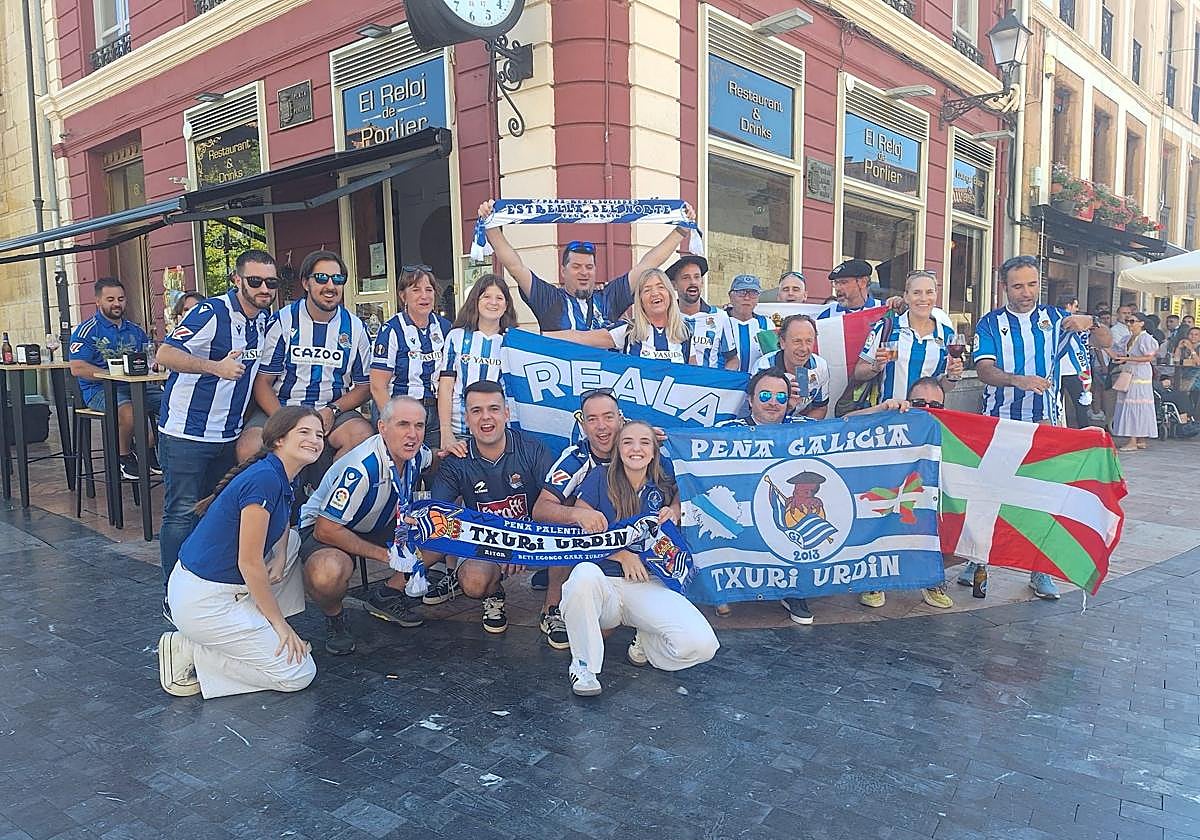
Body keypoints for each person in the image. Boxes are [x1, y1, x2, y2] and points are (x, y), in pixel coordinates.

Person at [964, 254, 1111, 600]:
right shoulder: (989, 323)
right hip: (999, 421)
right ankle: (976, 558)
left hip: (1046, 421)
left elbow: (1105, 342)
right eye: (1018, 286)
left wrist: (1089, 322)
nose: (1026, 292)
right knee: (989, 493)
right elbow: (984, 370)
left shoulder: (1056, 319)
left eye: (1032, 284)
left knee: (1044, 495)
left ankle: (1040, 570)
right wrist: (1018, 380)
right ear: (1005, 287)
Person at [158, 406, 322, 699]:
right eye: (304, 432)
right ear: (279, 440)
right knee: (299, 674)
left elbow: (281, 518)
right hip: (204, 601)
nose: (315, 439)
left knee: (293, 541)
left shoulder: (282, 472)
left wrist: (281, 553)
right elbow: (249, 563)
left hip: (213, 586)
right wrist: (280, 625)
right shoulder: (264, 479)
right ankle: (191, 653)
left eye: (319, 434)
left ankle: (255, 630)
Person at [560, 419, 719, 697]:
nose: (636, 448)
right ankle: (584, 666)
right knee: (582, 576)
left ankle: (646, 640)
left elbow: (695, 485)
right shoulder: (600, 477)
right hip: (604, 584)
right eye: (628, 441)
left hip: (648, 582)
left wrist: (676, 508)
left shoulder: (662, 481)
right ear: (618, 449)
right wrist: (620, 554)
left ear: (655, 450)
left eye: (645, 442)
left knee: (703, 645)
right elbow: (577, 534)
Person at [157, 249, 277, 587]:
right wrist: (215, 367)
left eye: (270, 282)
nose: (263, 288)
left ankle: (202, 585)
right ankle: (174, 591)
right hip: (187, 434)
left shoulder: (265, 321)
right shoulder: (211, 312)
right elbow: (165, 353)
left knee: (213, 511)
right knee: (181, 513)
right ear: (237, 280)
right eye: (255, 281)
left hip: (228, 435)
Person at [297, 396, 434, 655]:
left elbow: (434, 458)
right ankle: (334, 618)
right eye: (403, 425)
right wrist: (387, 556)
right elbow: (325, 529)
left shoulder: (418, 453)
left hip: (379, 522)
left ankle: (387, 595)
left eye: (419, 426)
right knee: (328, 572)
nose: (412, 434)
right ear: (382, 428)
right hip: (330, 529)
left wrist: (454, 453)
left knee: (444, 529)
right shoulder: (361, 468)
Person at [426, 381, 556, 639]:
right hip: (484, 546)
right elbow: (440, 516)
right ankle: (493, 591)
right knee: (474, 582)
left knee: (572, 535)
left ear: (507, 413)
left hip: (534, 541)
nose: (486, 417)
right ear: (466, 418)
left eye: (493, 409)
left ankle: (552, 608)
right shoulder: (456, 461)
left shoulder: (533, 449)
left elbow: (558, 504)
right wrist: (498, 549)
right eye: (476, 410)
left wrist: (520, 545)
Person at [478, 199, 695, 331]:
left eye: (589, 267)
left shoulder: (609, 297)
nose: (584, 272)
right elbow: (515, 267)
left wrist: (681, 232)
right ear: (563, 271)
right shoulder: (549, 299)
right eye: (576, 266)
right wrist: (491, 227)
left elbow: (648, 263)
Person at [251, 250, 374, 461]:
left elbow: (365, 386)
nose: (330, 286)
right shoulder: (282, 321)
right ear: (306, 283)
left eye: (337, 279)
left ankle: (329, 492)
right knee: (250, 446)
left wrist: (333, 409)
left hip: (332, 411)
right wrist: (287, 421)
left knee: (362, 437)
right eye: (321, 278)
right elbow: (262, 383)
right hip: (283, 407)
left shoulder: (355, 328)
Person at [846, 377, 955, 610]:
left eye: (934, 406)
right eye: (919, 403)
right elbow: (845, 424)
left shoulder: (952, 435)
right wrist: (881, 410)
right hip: (890, 504)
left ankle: (929, 574)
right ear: (908, 402)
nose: (927, 410)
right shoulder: (892, 424)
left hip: (930, 505)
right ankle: (874, 577)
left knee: (968, 532)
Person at [715, 369, 813, 625]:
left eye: (781, 397)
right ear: (750, 399)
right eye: (766, 395)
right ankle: (723, 585)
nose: (773, 402)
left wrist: (882, 409)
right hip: (742, 509)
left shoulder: (802, 428)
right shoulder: (727, 430)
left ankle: (793, 591)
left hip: (783, 511)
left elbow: (848, 427)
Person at [530, 389, 626, 649]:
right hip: (591, 540)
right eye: (592, 419)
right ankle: (553, 606)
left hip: (631, 542)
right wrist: (577, 514)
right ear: (582, 424)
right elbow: (540, 509)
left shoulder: (639, 448)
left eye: (608, 417)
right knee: (563, 521)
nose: (602, 426)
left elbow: (674, 488)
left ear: (621, 419)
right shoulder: (576, 458)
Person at [69, 277, 164, 479]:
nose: (116, 304)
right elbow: (77, 368)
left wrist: (156, 364)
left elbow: (149, 359)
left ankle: (148, 447)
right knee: (130, 412)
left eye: (120, 299)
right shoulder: (86, 330)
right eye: (110, 299)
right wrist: (110, 375)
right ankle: (124, 456)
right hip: (100, 390)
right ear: (98, 301)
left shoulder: (136, 330)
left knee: (175, 405)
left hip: (137, 387)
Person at [369, 266, 451, 449]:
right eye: (416, 290)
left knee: (436, 468)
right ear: (403, 296)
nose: (424, 296)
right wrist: (395, 422)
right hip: (399, 410)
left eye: (429, 290)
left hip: (434, 412)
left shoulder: (445, 328)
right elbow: (377, 386)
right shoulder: (391, 330)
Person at [852, 270, 962, 403]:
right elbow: (859, 372)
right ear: (906, 297)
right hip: (890, 415)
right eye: (916, 292)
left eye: (929, 292)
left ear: (936, 295)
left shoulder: (946, 334)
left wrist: (952, 376)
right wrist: (875, 367)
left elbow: (942, 386)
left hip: (925, 416)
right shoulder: (889, 328)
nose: (923, 298)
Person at [553, 269, 696, 364]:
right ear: (640, 300)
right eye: (647, 290)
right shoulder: (629, 331)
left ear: (670, 293)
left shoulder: (685, 332)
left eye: (660, 287)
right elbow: (581, 338)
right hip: (636, 409)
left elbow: (695, 380)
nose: (654, 293)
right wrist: (537, 339)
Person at [438, 273, 515, 448]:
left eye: (499, 298)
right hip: (459, 431)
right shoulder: (456, 336)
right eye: (486, 296)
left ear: (506, 305)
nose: (493, 302)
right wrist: (446, 431)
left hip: (498, 432)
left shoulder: (513, 341)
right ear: (476, 301)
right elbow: (446, 386)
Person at [666, 256, 738, 369]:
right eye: (686, 278)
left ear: (702, 282)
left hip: (707, 384)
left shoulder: (720, 317)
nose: (693, 282)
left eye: (697, 277)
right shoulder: (665, 316)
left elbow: (732, 359)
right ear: (674, 285)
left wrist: (722, 381)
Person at [754, 314, 830, 420]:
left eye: (809, 341)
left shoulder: (820, 366)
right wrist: (786, 402)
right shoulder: (764, 366)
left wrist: (799, 430)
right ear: (782, 342)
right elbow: (758, 415)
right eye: (797, 341)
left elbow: (820, 408)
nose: (804, 348)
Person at [1110, 311, 1159, 452]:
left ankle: (1134, 440)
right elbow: (1118, 352)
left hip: (1140, 373)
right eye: (1128, 321)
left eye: (1132, 321)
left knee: (1136, 403)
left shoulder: (1145, 338)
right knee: (1131, 403)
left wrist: (1128, 359)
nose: (1129, 324)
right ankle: (1139, 439)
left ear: (1141, 323)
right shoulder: (1127, 338)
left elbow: (1148, 357)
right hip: (1129, 371)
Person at [727, 274, 771, 373]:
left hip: (757, 384)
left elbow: (772, 357)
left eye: (753, 293)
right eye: (741, 293)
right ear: (730, 296)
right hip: (725, 384)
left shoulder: (766, 324)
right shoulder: (719, 321)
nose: (747, 298)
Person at [818, 260, 882, 319]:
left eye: (843, 282)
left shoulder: (883, 310)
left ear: (863, 282)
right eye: (836, 283)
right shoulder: (828, 315)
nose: (837, 288)